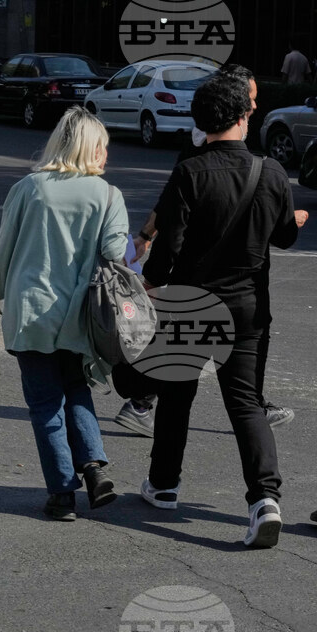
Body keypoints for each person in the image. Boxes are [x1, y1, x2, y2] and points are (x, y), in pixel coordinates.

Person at [139, 75, 307, 547]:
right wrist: (290, 220)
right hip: (248, 306)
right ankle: (264, 500)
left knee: (176, 396)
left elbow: (168, 245)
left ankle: (164, 485)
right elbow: (284, 237)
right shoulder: (271, 171)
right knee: (246, 402)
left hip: (191, 300)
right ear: (243, 116)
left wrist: (150, 285)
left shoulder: (190, 171)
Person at [117, 64, 301, 437]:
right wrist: (148, 240)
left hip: (215, 278)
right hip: (214, 278)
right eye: (250, 100)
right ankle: (146, 401)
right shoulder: (207, 142)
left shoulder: (221, 139)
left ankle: (154, 405)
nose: (254, 107)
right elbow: (176, 202)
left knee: (202, 344)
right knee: (206, 346)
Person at [0, 107, 127, 521]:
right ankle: (95, 468)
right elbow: (116, 255)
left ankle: (63, 493)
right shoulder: (109, 196)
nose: (105, 156)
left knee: (45, 404)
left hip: (32, 313)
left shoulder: (29, 189)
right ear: (89, 149)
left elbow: (4, 254)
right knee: (76, 389)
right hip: (80, 316)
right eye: (103, 148)